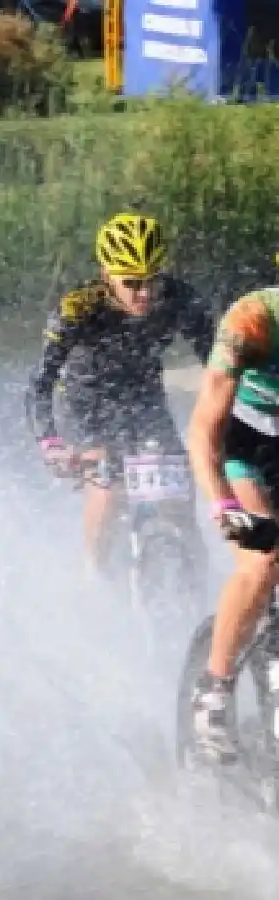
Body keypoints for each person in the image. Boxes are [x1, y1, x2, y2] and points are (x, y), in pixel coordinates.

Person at [28, 212, 214, 577]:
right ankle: (96, 581)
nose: (144, 294)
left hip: (145, 399)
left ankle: (200, 591)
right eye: (131, 283)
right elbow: (39, 385)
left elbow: (218, 365)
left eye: (152, 281)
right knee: (110, 488)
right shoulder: (78, 309)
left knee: (179, 503)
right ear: (106, 275)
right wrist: (51, 445)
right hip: (83, 404)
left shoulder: (180, 300)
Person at [186, 287, 279, 763]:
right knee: (263, 561)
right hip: (244, 451)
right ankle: (214, 690)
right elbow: (204, 427)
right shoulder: (254, 319)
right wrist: (222, 504)